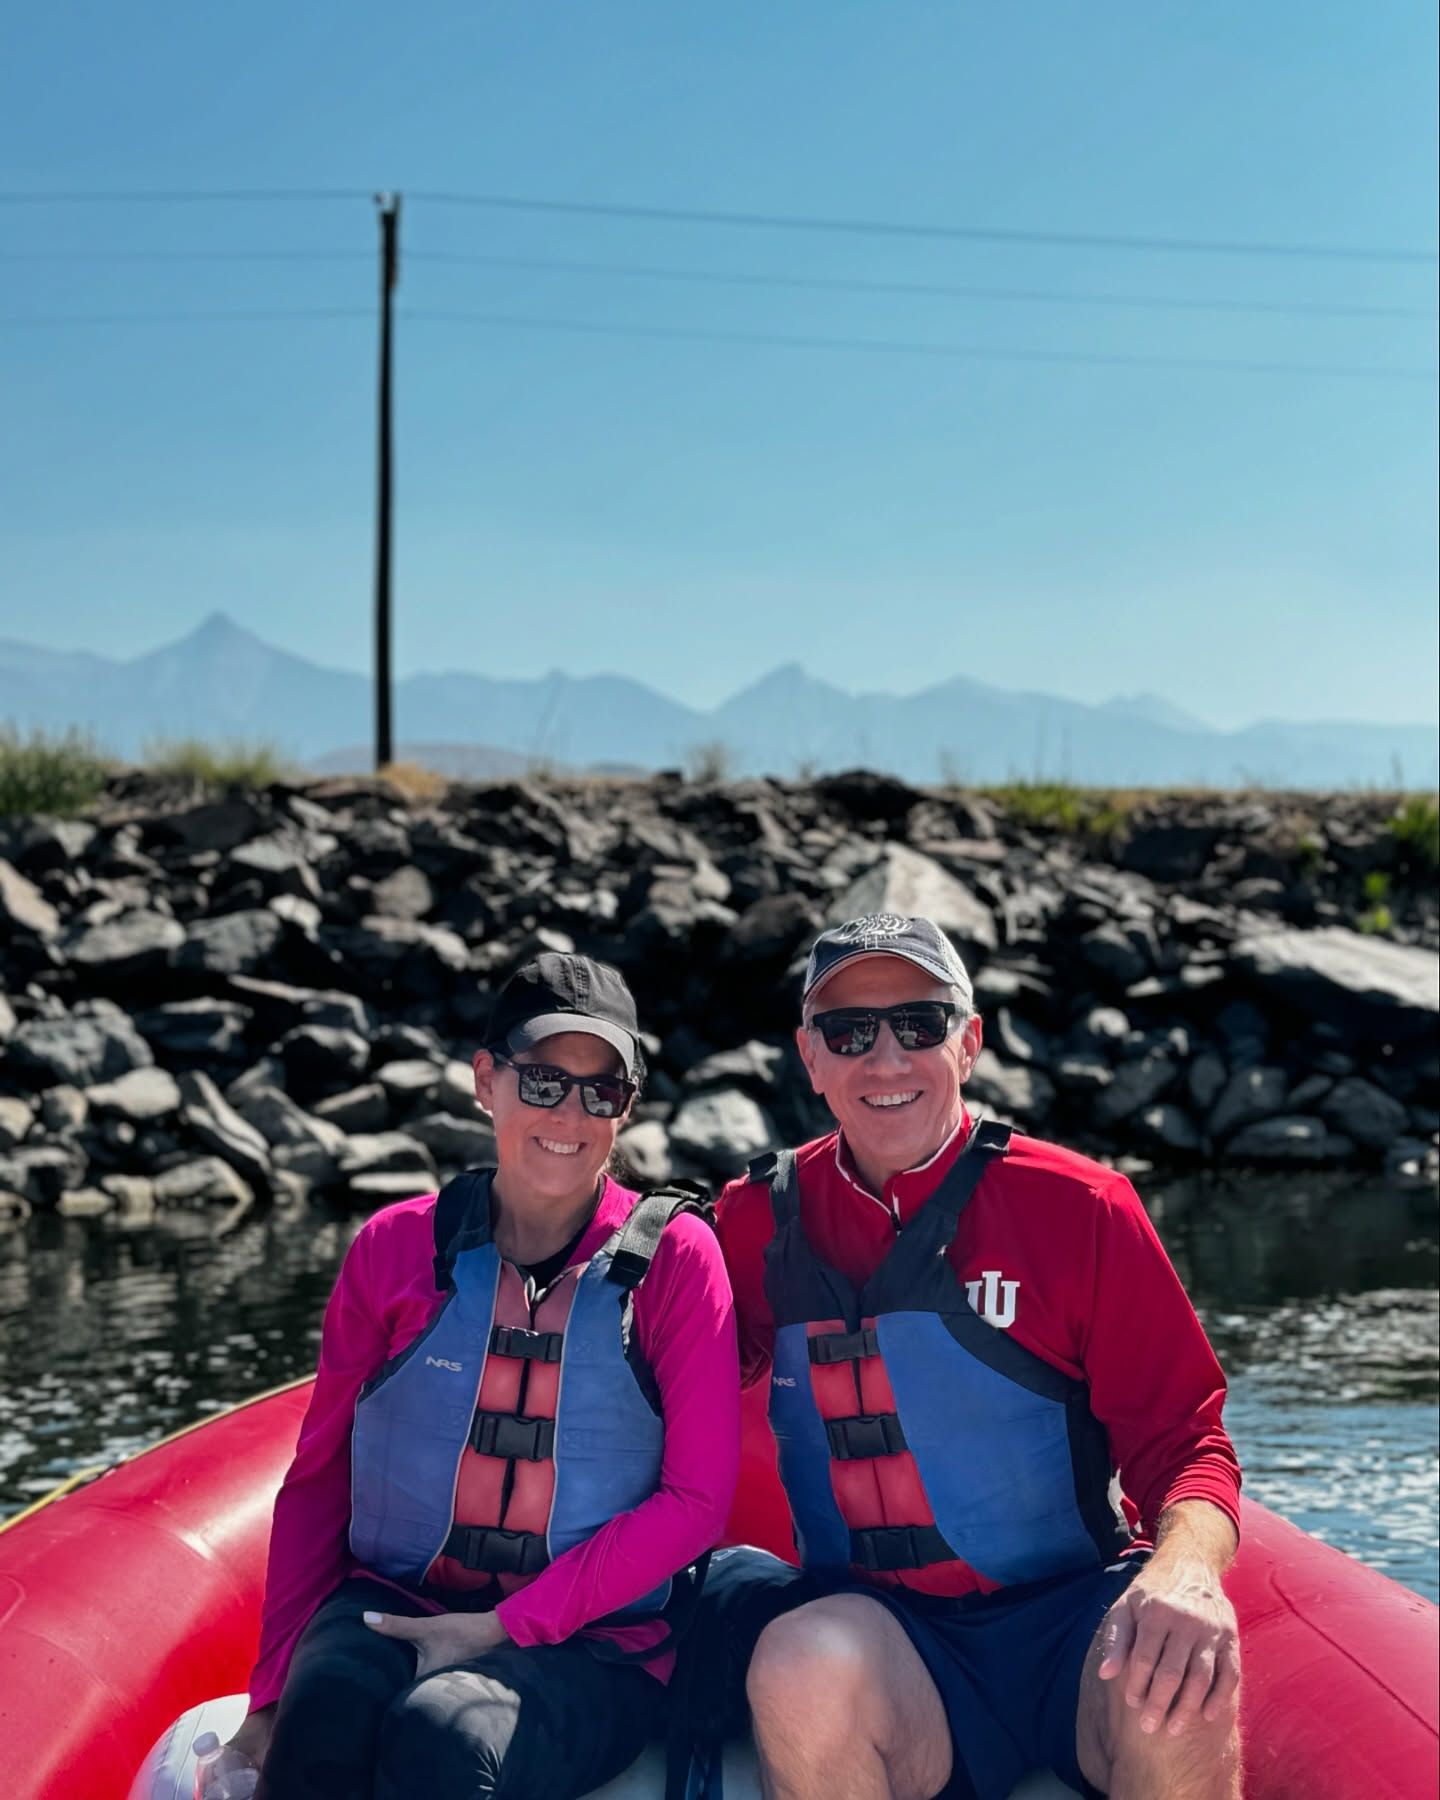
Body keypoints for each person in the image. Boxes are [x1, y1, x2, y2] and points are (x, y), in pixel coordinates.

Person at [710, 913, 1243, 1800]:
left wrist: (1185, 1574)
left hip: (1074, 1621)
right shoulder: (752, 1220)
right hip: (887, 1640)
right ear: (810, 1056)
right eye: (849, 1033)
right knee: (796, 1660)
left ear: (970, 1042)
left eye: (918, 1025)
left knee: (1178, 1682)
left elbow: (1189, 1445)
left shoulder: (1083, 1208)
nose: (885, 1060)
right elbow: (656, 1388)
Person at [208, 952, 739, 1800]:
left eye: (602, 1091)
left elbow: (697, 1503)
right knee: (323, 1722)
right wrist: (270, 1694)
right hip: (391, 1598)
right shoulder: (392, 1248)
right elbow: (317, 1484)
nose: (570, 1113)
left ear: (626, 1107)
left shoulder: (679, 1260)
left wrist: (503, 1627)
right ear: (486, 1080)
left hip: (595, 1643)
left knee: (447, 1736)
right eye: (541, 1082)